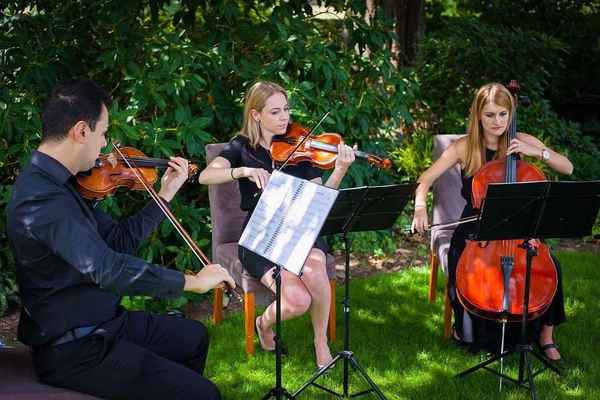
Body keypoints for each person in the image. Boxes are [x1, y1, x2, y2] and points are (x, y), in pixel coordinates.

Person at [7, 79, 235, 400]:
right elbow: (108, 269)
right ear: (81, 131)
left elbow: (118, 241)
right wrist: (191, 282)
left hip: (103, 320)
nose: (104, 147)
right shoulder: (42, 199)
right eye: (102, 134)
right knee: (203, 394)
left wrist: (164, 195)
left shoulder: (62, 186)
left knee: (192, 337)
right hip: (76, 347)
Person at [198, 81, 355, 369]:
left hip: (299, 229)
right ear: (256, 115)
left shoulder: (300, 146)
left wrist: (340, 170)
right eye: (275, 112)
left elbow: (321, 196)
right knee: (295, 301)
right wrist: (242, 170)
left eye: (286, 109)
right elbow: (205, 176)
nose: (285, 117)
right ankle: (263, 323)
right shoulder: (241, 147)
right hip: (261, 234)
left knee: (316, 263)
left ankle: (321, 342)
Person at [411, 82, 573, 361]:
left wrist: (538, 152)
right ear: (478, 115)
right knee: (466, 267)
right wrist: (420, 206)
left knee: (550, 266)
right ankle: (474, 326)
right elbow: (425, 180)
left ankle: (546, 336)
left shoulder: (521, 140)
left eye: (502, 114)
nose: (497, 122)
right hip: (477, 230)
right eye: (490, 115)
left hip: (520, 227)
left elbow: (567, 167)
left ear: (510, 114)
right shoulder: (464, 147)